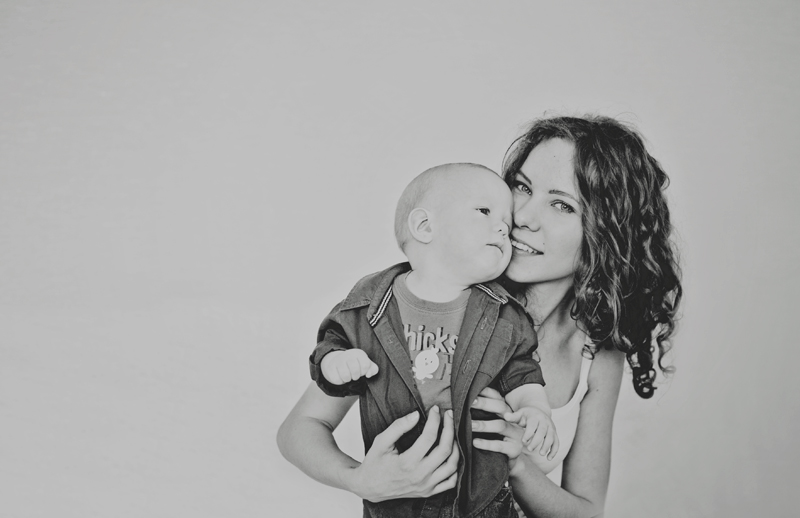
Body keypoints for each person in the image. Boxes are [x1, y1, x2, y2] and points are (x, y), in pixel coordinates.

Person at [277, 115, 682, 517]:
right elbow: (299, 429)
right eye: (522, 186)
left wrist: (516, 463)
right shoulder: (427, 298)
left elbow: (586, 513)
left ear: (608, 234)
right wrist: (360, 479)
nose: (523, 217)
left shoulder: (596, 353)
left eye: (561, 205)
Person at [309, 163, 557, 518]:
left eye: (506, 220)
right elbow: (332, 343)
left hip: (481, 502)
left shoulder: (504, 315)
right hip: (396, 503)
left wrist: (535, 409)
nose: (504, 228)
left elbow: (521, 371)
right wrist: (335, 363)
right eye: (485, 211)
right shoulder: (370, 306)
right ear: (425, 226)